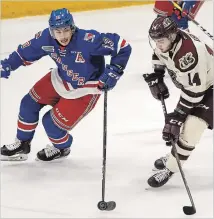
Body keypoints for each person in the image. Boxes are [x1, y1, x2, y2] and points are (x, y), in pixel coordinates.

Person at [0, 8, 132, 161]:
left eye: (65, 30)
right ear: (51, 31)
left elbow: (122, 46)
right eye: (58, 31)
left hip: (85, 89)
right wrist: (8, 64)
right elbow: (24, 52)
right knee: (28, 104)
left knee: (51, 124)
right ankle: (22, 143)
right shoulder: (45, 38)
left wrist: (114, 71)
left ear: (72, 28)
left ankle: (62, 148)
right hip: (61, 77)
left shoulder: (88, 40)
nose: (62, 36)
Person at [143, 16, 213, 187]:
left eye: (161, 40)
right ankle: (175, 155)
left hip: (208, 87)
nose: (158, 44)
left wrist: (179, 116)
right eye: (155, 40)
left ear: (172, 36)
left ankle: (171, 168)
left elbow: (195, 93)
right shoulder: (169, 40)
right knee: (180, 126)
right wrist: (157, 74)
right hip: (201, 86)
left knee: (192, 128)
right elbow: (159, 54)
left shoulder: (188, 54)